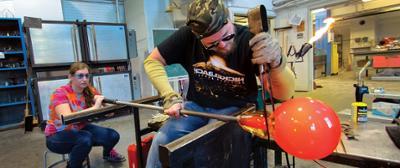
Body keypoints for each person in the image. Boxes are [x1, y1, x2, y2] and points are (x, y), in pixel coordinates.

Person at [144, 0, 295, 167]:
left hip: (235, 108)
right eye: (213, 44)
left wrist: (278, 63)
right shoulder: (187, 35)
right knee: (161, 142)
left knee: (206, 152)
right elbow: (152, 61)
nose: (222, 45)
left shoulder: (249, 40)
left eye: (227, 36)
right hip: (195, 106)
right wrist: (170, 96)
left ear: (228, 20)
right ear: (197, 36)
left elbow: (283, 94)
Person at [44, 62, 126, 168]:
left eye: (87, 76)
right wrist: (95, 107)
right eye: (80, 76)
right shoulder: (60, 93)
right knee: (85, 139)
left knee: (113, 136)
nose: (84, 79)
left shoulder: (89, 90)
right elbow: (67, 118)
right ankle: (73, 165)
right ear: (71, 77)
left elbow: (108, 111)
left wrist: (107, 107)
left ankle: (107, 154)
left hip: (80, 128)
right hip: (57, 135)